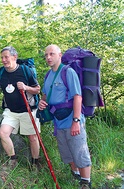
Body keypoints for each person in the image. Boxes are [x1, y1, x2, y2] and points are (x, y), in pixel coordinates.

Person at [38, 44, 92, 189]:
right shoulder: (48, 75)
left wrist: (76, 121)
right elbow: (45, 95)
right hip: (58, 120)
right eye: (46, 55)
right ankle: (76, 176)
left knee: (79, 151)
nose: (48, 57)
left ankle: (86, 182)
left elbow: (77, 97)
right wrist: (42, 103)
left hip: (72, 118)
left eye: (52, 54)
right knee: (67, 152)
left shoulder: (68, 72)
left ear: (60, 55)